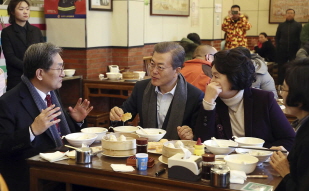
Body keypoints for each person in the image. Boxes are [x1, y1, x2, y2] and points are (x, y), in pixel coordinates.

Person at [0, 42, 93, 191]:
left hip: (61, 168)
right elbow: (3, 146)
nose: (63, 73)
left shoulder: (51, 94)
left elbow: (61, 133)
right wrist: (32, 131)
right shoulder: (8, 102)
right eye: (59, 68)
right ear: (40, 73)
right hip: (31, 177)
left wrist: (77, 122)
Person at [194, 49, 295, 151]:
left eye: (216, 76)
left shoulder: (263, 99)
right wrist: (208, 104)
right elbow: (201, 142)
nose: (212, 81)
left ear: (234, 77)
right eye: (212, 76)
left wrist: (269, 151)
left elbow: (289, 139)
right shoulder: (212, 102)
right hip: (224, 163)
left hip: (259, 161)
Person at [110, 42, 204, 140]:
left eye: (160, 67)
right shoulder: (141, 88)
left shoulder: (194, 96)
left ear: (177, 70)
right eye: (152, 64)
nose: (154, 71)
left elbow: (199, 136)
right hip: (145, 150)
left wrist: (190, 135)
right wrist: (116, 115)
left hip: (177, 152)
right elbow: (123, 115)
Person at [270, 58, 309, 191]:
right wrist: (291, 157)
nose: (281, 93)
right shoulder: (302, 123)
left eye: (284, 89)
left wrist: (285, 171)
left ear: (300, 97)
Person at [1, 0, 44, 91]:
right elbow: (10, 57)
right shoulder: (7, 32)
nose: (25, 12)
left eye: (27, 9)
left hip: (36, 77)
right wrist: (29, 68)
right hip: (17, 77)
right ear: (12, 12)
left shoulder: (36, 31)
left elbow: (43, 52)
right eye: (21, 9)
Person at [275, 8, 302, 85]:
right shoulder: (281, 25)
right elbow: (277, 37)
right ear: (285, 15)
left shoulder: (298, 25)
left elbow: (300, 38)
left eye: (291, 13)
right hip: (282, 50)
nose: (289, 14)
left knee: (293, 68)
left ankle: (293, 84)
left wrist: (299, 49)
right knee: (281, 68)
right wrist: (278, 47)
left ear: (294, 15)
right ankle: (280, 84)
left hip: (294, 50)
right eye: (288, 13)